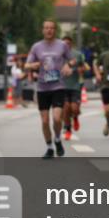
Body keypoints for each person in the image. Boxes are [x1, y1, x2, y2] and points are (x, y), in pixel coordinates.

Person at [25, 21, 75, 159]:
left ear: (55, 30)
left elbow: (72, 60)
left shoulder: (62, 45)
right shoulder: (36, 47)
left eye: (52, 28)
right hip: (42, 88)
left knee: (57, 118)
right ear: (43, 30)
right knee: (45, 121)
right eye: (46, 28)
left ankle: (57, 139)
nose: (49, 30)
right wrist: (33, 65)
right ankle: (49, 147)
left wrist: (67, 65)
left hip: (58, 86)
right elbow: (27, 64)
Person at [61, 35, 88, 139]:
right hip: (62, 86)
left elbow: (84, 68)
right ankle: (68, 129)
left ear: (71, 44)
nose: (65, 45)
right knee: (66, 108)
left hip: (75, 85)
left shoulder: (77, 54)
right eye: (63, 44)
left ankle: (75, 116)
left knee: (75, 109)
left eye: (67, 43)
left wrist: (74, 70)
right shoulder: (58, 55)